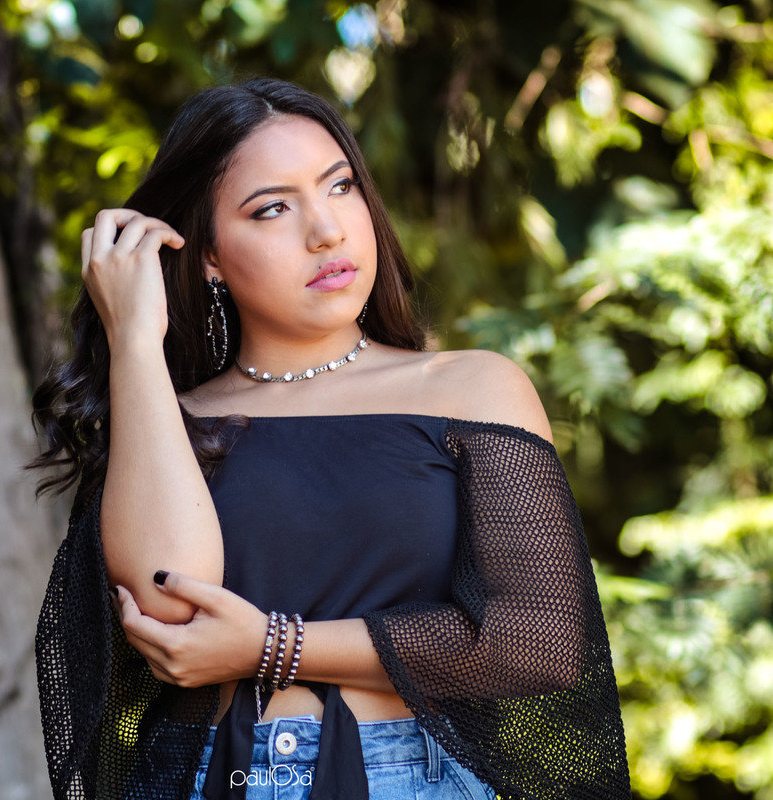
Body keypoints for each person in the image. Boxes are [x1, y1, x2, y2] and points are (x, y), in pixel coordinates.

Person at [32, 77, 629, 800]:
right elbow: (171, 613)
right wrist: (134, 341)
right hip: (200, 778)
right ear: (209, 253)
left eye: (340, 187)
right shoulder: (163, 414)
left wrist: (273, 647)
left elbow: (537, 643)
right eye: (273, 208)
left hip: (406, 779)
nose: (326, 230)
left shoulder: (471, 387)